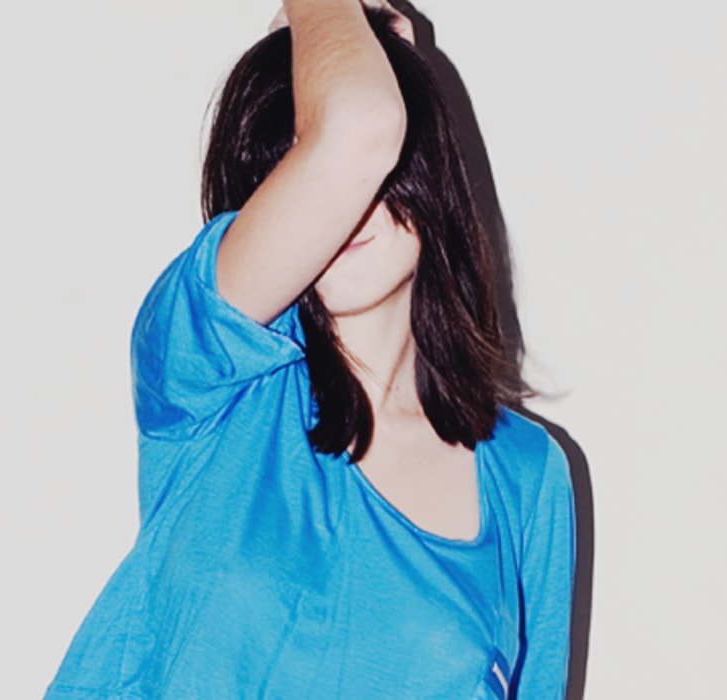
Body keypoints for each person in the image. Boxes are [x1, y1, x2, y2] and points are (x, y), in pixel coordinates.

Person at [43, 1, 576, 697]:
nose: (344, 208)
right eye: (300, 173)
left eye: (372, 175)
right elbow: (359, 125)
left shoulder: (526, 475)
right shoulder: (207, 372)